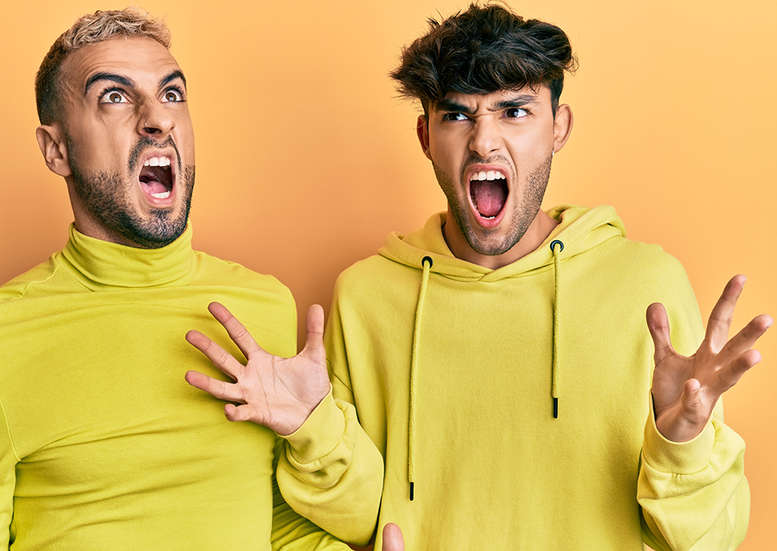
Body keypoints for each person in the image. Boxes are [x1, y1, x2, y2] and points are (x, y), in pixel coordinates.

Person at [184, 3, 772, 550]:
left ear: (558, 128)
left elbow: (710, 540)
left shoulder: (649, 290)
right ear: (425, 137)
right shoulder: (366, 297)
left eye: (514, 111)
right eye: (457, 114)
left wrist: (683, 446)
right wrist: (314, 430)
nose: (484, 140)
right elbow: (358, 517)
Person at [0, 8, 358, 550]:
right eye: (115, 97)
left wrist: (317, 428)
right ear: (56, 148)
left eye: (172, 93)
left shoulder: (263, 308)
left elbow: (282, 530)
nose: (158, 118)